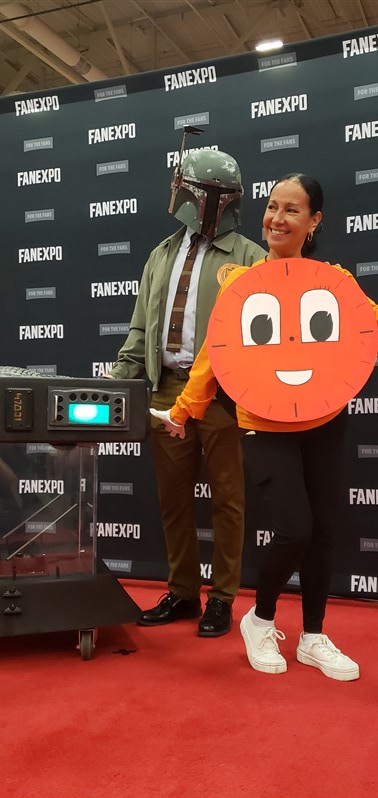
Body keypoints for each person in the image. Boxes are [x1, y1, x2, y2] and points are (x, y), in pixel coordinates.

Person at [151, 172, 378, 678]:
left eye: (292, 210)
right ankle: (261, 620)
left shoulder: (334, 280)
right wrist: (183, 410)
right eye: (272, 207)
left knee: (324, 530)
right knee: (295, 530)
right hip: (263, 422)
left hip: (324, 418)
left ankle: (313, 635)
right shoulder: (242, 285)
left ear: (314, 221)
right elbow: (215, 355)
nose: (277, 218)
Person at [106, 148, 266, 637]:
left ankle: (222, 598)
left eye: (182, 185)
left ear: (201, 196)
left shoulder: (252, 259)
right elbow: (140, 330)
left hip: (223, 397)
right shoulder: (161, 254)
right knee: (173, 499)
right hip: (166, 393)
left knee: (228, 501)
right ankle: (182, 591)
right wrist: (116, 381)